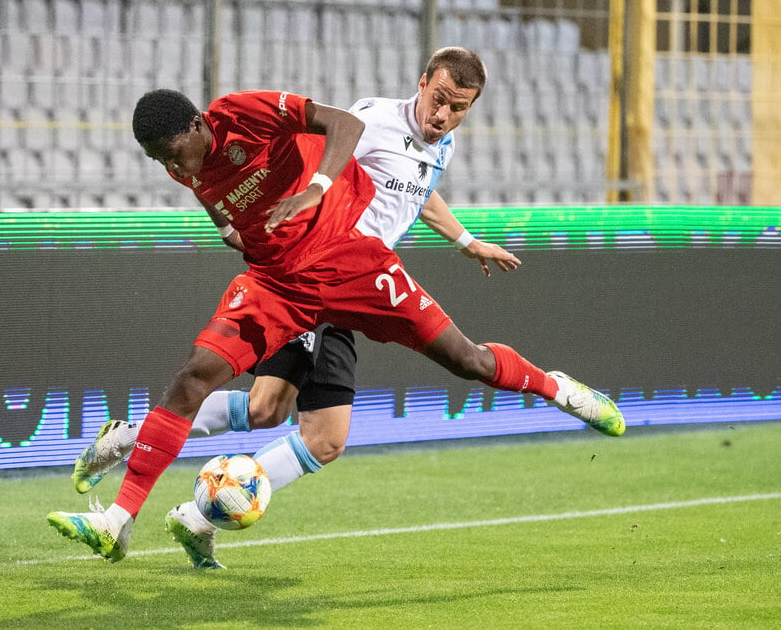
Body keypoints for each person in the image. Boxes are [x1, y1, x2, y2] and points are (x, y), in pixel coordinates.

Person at [47, 57, 624, 564]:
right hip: (280, 281)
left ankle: (558, 389)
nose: (444, 114)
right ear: (421, 84)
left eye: (459, 107)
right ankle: (118, 521)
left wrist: (462, 239)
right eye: (440, 99)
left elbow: (410, 188)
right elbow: (323, 138)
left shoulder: (433, 144)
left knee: (462, 362)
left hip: (354, 267)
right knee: (206, 382)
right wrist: (236, 223)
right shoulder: (367, 119)